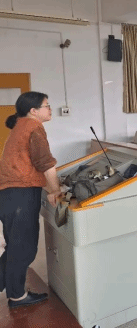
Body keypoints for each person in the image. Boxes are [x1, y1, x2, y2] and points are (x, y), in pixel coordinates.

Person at [0, 92, 62, 309]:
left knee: (15, 246)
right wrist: (55, 190)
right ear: (33, 111)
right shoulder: (33, 127)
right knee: (23, 248)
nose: (50, 109)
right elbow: (45, 163)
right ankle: (17, 296)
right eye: (47, 105)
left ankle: (7, 285)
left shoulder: (21, 125)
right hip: (20, 193)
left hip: (9, 194)